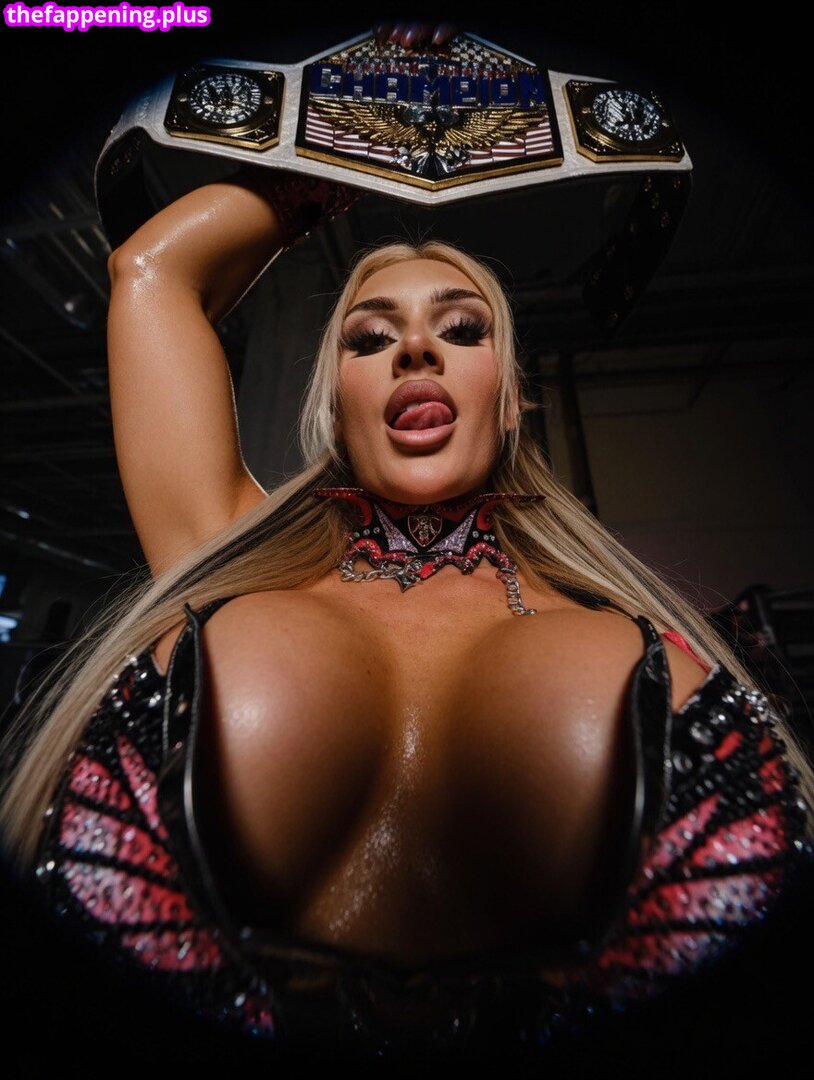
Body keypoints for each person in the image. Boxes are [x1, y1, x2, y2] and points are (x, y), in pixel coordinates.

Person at [1, 24, 812, 1073]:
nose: (416, 347)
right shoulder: (225, 548)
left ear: (508, 397)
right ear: (338, 406)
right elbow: (150, 270)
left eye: (462, 329)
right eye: (369, 336)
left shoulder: (627, 624)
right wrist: (335, 141)